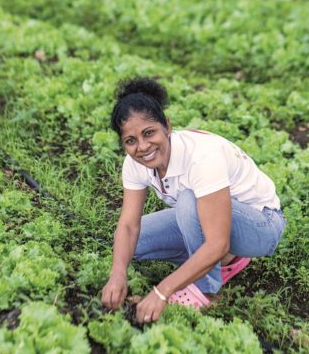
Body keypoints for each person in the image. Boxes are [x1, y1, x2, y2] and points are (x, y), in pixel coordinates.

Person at [101, 77, 286, 324]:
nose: (143, 147)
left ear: (167, 126)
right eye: (130, 141)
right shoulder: (134, 164)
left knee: (189, 200)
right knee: (136, 243)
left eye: (149, 133)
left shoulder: (201, 158)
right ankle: (227, 260)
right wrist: (117, 273)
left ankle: (207, 288)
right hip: (212, 219)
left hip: (262, 225)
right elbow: (128, 226)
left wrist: (161, 291)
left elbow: (218, 241)